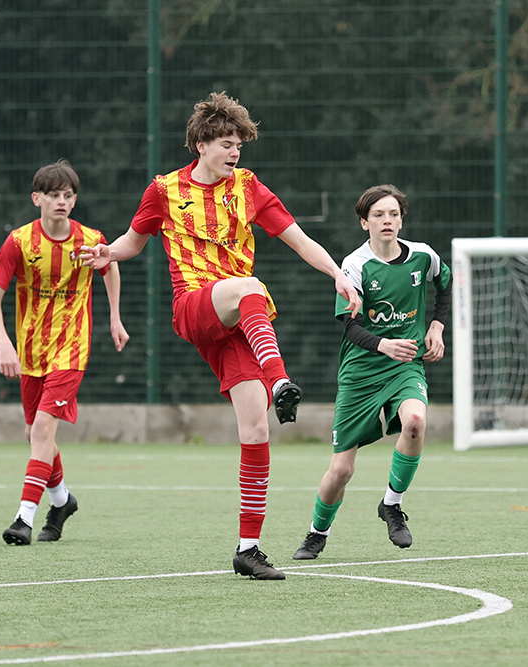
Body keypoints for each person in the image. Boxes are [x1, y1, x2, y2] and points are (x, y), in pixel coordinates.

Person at [80, 92, 360, 580]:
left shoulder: (248, 187)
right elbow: (133, 241)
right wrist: (110, 253)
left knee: (256, 430)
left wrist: (337, 273)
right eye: (227, 144)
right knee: (249, 286)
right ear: (201, 145)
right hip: (194, 306)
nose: (235, 153)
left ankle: (248, 549)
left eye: (239, 146)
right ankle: (280, 379)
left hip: (237, 322)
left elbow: (298, 239)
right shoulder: (164, 190)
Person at [292, 184, 452, 561]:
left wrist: (437, 326)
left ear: (402, 219)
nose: (387, 221)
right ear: (364, 222)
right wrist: (384, 344)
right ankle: (317, 533)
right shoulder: (355, 265)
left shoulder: (423, 256)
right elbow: (350, 326)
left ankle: (391, 505)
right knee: (341, 470)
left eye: (393, 214)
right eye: (378, 215)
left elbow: (445, 285)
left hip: (404, 367)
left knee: (416, 422)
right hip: (360, 372)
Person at [0, 159, 129, 546]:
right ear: (37, 199)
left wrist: (115, 316)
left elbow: (110, 267)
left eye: (68, 195)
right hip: (31, 351)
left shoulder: (90, 238)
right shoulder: (19, 242)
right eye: (53, 195)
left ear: (75, 200)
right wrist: (4, 343)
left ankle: (23, 518)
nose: (61, 201)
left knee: (43, 429)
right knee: (34, 432)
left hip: (71, 349)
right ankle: (62, 501)